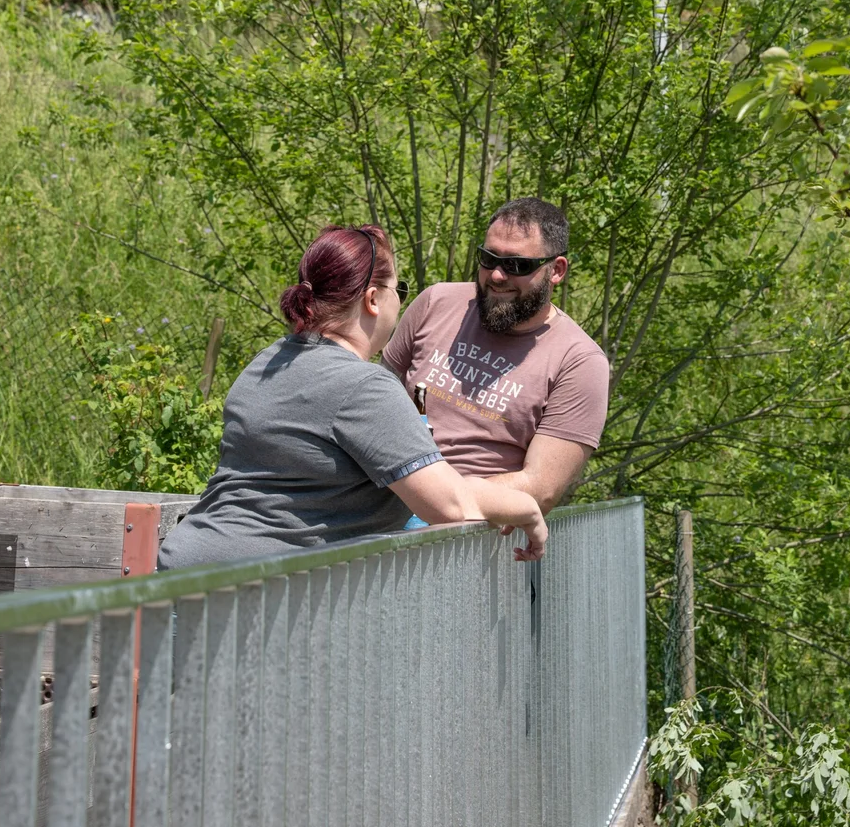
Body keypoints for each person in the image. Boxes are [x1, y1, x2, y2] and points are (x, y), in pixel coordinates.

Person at [157, 224, 547, 571]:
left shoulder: (269, 360)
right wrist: (526, 508)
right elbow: (450, 505)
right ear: (373, 299)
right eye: (399, 290)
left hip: (181, 574)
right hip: (254, 594)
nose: (400, 303)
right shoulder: (364, 387)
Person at [381, 198, 609, 513]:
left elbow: (541, 488)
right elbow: (375, 398)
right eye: (488, 259)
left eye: (517, 265)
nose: (498, 276)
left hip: (475, 525)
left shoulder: (580, 362)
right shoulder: (436, 302)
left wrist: (433, 498)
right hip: (381, 498)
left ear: (556, 270)